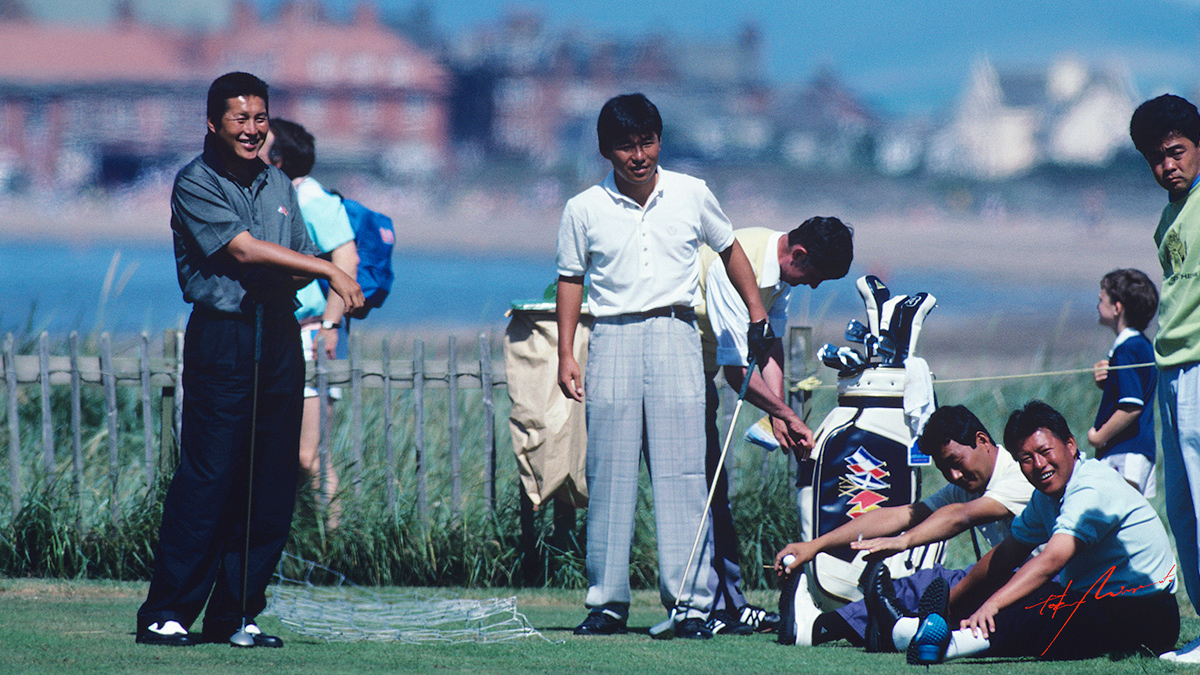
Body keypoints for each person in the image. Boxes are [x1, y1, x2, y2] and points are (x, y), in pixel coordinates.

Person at [136, 72, 364, 648]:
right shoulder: (195, 182)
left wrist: (315, 274)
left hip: (281, 335)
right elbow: (241, 249)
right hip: (224, 335)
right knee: (209, 476)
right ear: (213, 123)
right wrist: (332, 271)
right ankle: (168, 612)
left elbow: (294, 258)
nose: (252, 130)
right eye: (240, 119)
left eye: (260, 119)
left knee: (271, 479)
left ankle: (237, 614)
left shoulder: (278, 184)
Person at [556, 93, 772, 640]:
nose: (638, 155)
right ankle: (606, 603)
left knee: (682, 473)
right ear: (606, 150)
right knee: (609, 472)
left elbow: (730, 249)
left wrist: (756, 311)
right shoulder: (583, 208)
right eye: (626, 146)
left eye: (647, 142)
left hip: (677, 332)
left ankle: (692, 606)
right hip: (612, 335)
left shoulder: (692, 193)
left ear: (659, 140)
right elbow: (571, 279)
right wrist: (565, 352)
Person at [887, 400, 1178, 664]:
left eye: (1044, 451)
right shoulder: (1045, 497)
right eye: (1026, 458)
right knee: (1012, 585)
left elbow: (1053, 559)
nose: (1039, 465)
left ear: (1071, 445)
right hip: (1098, 601)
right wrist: (953, 598)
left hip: (1147, 613)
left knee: (1049, 602)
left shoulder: (1091, 486)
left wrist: (993, 604)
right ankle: (924, 626)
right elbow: (1006, 554)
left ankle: (949, 644)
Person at [695, 218, 854, 635]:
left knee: (715, 489)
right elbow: (736, 373)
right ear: (797, 255)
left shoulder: (778, 273)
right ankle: (708, 606)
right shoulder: (736, 263)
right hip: (675, 367)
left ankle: (728, 604)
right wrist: (786, 415)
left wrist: (777, 411)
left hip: (702, 368)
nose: (815, 288)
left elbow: (768, 347)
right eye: (816, 278)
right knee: (700, 489)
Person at [773, 405, 1033, 648]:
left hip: (1054, 591)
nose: (954, 476)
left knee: (938, 583)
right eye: (944, 469)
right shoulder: (966, 483)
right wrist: (815, 546)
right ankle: (821, 630)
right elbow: (901, 515)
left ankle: (878, 632)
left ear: (982, 441)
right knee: (924, 586)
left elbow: (961, 516)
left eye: (956, 462)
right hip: (1024, 584)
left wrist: (903, 541)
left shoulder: (1018, 475)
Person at [262, 117, 359, 528]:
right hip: (282, 334)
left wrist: (331, 325)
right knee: (284, 453)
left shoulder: (315, 201)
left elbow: (347, 261)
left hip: (310, 335)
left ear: (279, 159)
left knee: (309, 455)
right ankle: (298, 534)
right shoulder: (280, 198)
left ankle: (331, 539)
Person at [1130, 93, 1200, 663]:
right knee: (1181, 506)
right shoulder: (1168, 214)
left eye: (1176, 152)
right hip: (1170, 369)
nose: (1167, 166)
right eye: (1155, 158)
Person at [1087, 268, 1158, 496]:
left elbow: (1131, 405)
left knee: (1118, 522)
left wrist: (1099, 437)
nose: (1098, 306)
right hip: (1138, 451)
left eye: (1101, 300)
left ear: (1117, 308)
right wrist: (1107, 383)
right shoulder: (1142, 345)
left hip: (1125, 450)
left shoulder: (1126, 350)